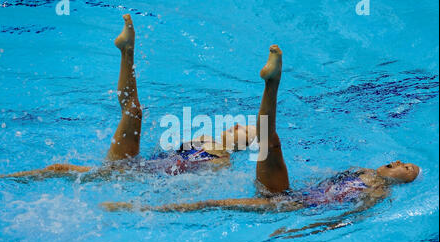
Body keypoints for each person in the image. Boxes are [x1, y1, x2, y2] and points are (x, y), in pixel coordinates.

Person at [100, 44, 421, 213]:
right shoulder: (365, 172)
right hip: (288, 197)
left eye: (408, 168)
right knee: (268, 140)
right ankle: (272, 83)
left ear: (404, 180)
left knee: (264, 145)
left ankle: (272, 83)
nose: (400, 164)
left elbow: (337, 216)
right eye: (403, 161)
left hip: (292, 204)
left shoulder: (380, 192)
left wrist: (295, 229)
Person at [0, 14, 256, 179]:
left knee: (62, 169)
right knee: (133, 111)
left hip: (131, 176)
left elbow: (181, 184)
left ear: (245, 146)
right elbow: (164, 157)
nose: (236, 125)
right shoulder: (203, 139)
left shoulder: (222, 163)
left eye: (246, 131)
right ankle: (127, 50)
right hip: (136, 164)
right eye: (242, 123)